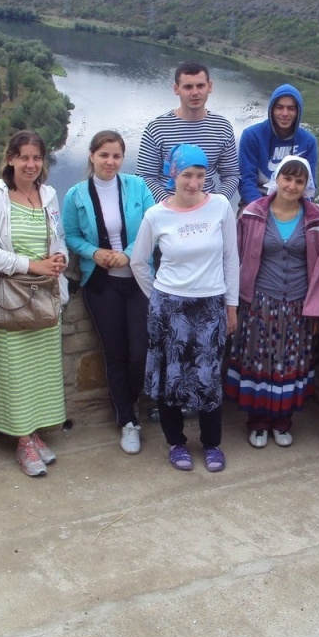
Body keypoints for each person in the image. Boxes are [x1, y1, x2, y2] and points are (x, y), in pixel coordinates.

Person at [130, 144, 239, 473]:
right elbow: (139, 262)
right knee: (170, 377)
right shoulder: (156, 215)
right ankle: (176, 442)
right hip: (169, 307)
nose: (194, 183)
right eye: (187, 175)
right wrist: (159, 297)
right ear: (172, 175)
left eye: (201, 175)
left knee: (209, 378)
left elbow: (230, 259)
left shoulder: (220, 206)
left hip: (210, 305)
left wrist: (231, 306)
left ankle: (211, 444)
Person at [0, 130, 69, 478]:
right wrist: (33, 265)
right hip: (9, 300)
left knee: (40, 373)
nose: (31, 164)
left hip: (44, 297)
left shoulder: (49, 195)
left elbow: (57, 237)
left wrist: (58, 259)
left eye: (37, 157)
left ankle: (34, 434)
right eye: (24, 157)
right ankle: (22, 442)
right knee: (14, 373)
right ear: (11, 158)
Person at [225, 155, 319, 448]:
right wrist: (233, 300)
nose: (292, 185)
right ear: (276, 180)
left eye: (299, 180)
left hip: (298, 304)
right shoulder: (252, 214)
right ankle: (257, 422)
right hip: (259, 302)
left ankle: (283, 421)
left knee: (289, 363)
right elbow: (234, 257)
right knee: (259, 361)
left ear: (306, 185)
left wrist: (318, 309)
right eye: (287, 178)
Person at [63, 130, 154, 455]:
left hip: (138, 281)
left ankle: (126, 403)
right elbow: (71, 236)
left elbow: (150, 226)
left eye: (116, 156)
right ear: (92, 156)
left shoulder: (138, 187)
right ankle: (128, 421)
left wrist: (128, 253)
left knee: (140, 353)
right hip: (102, 285)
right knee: (114, 353)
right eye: (104, 155)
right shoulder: (76, 195)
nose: (110, 162)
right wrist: (93, 252)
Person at [137, 61, 240, 203]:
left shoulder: (222, 127)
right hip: (167, 209)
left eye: (200, 86)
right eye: (188, 87)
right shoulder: (157, 128)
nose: (195, 93)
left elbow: (231, 175)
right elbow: (145, 176)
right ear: (176, 89)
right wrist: (170, 204)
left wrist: (217, 202)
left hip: (207, 208)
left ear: (209, 87)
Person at [238, 84, 319, 206]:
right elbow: (247, 181)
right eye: (279, 107)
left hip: (293, 202)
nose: (285, 113)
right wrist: (262, 209)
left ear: (298, 111)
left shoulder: (308, 141)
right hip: (257, 200)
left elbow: (309, 185)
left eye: (291, 108)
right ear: (272, 109)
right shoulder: (252, 136)